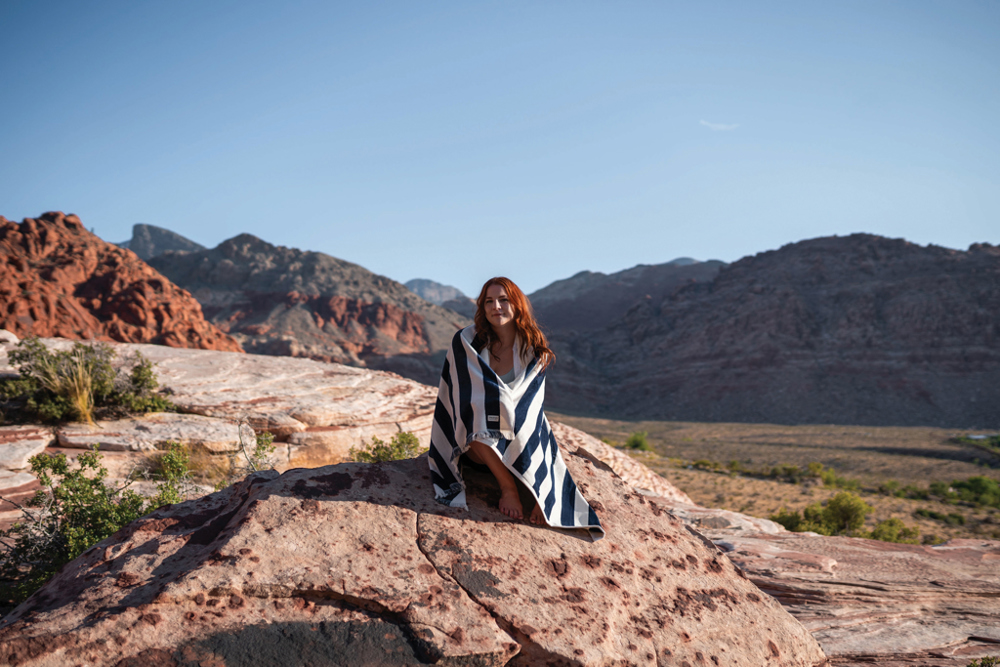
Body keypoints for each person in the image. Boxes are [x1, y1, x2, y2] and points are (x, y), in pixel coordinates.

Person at [428, 277, 604, 539]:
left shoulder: (534, 351)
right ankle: (508, 487)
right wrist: (495, 405)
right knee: (477, 411)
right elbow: (462, 396)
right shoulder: (466, 342)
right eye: (489, 301)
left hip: (519, 436)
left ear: (517, 304)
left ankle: (540, 493)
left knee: (534, 422)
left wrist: (504, 410)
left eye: (503, 300)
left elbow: (530, 405)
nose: (496, 307)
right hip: (478, 446)